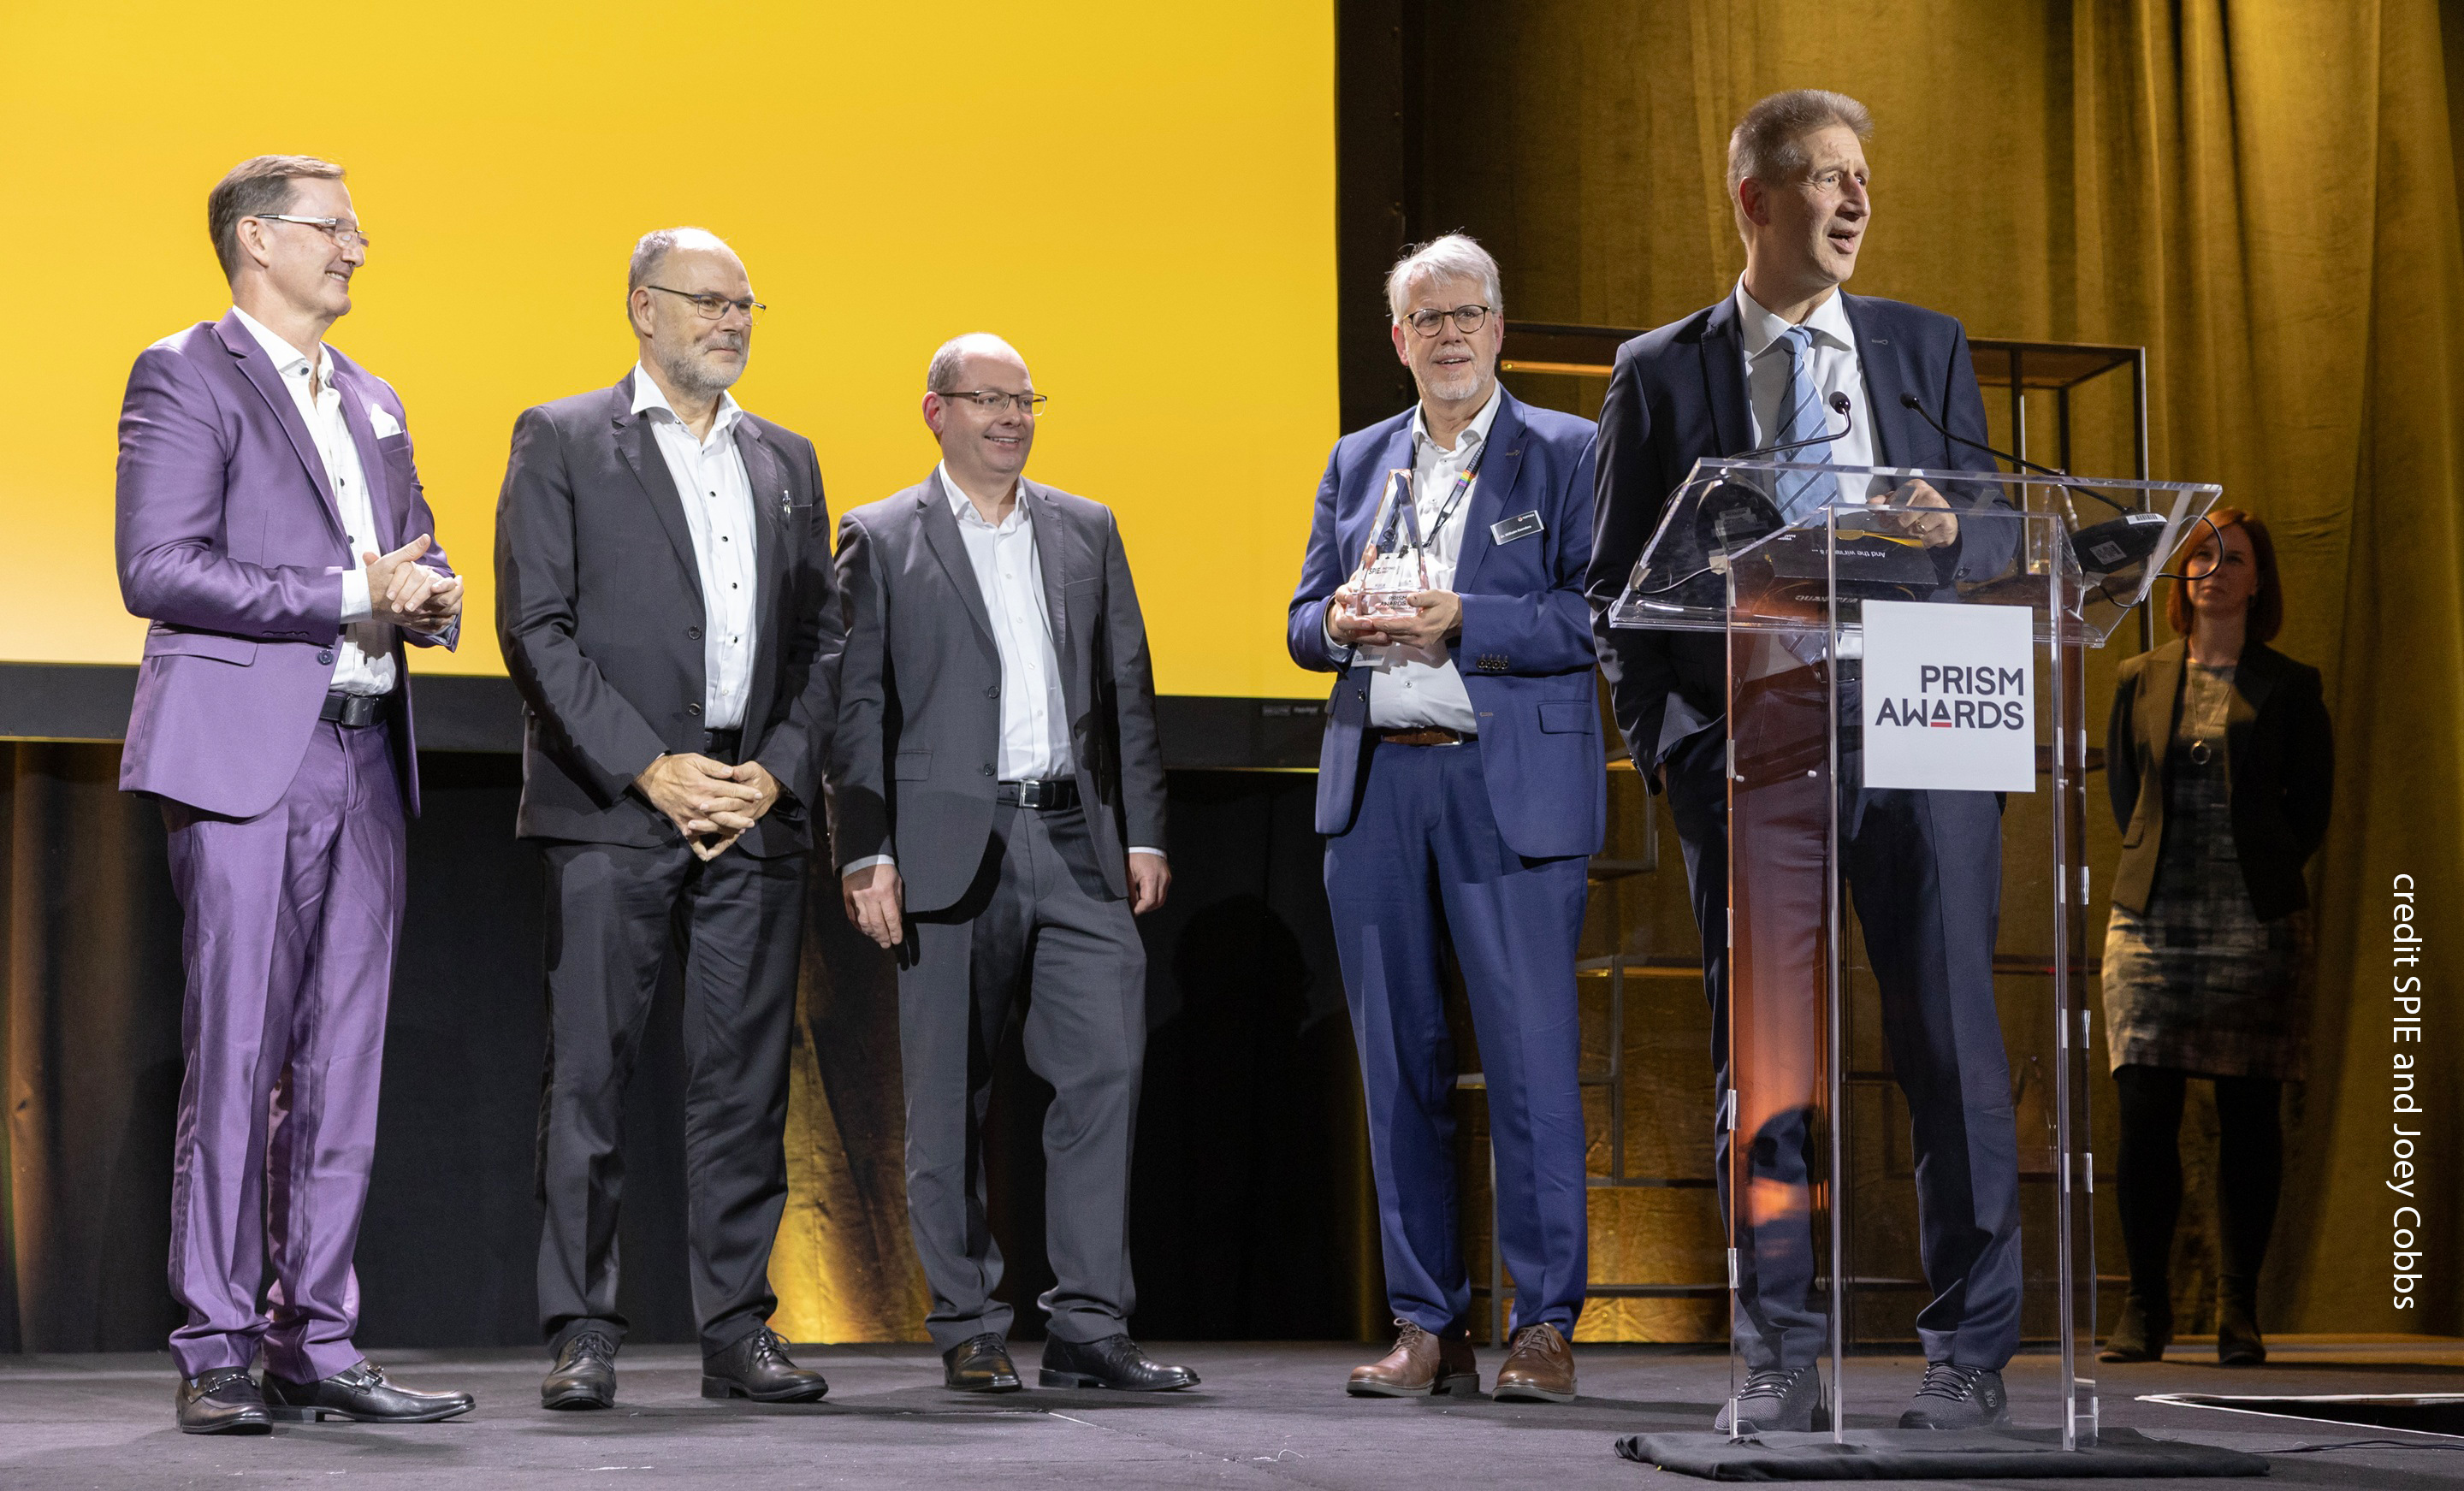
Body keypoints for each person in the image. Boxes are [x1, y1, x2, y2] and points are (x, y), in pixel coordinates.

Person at [1585, 90, 2022, 1432]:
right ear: (1754, 200)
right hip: (1755, 745)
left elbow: (1996, 536)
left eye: (1863, 179)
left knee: (1951, 1043)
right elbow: (1615, 593)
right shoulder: (1661, 370)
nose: (1856, 199)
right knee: (1769, 1064)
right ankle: (1779, 1347)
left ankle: (1970, 1353)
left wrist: (1957, 531)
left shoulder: (1919, 349)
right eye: (1827, 176)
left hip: (1926, 723)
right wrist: (1679, 751)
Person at [116, 155, 474, 1434]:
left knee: (343, 1063)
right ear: (258, 240)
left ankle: (313, 1335)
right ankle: (215, 1341)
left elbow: (408, 543)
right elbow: (156, 565)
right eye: (336, 227)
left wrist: (428, 598)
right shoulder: (183, 372)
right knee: (238, 1054)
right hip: (240, 757)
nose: (359, 246)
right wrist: (346, 594)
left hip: (366, 750)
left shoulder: (372, 395)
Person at [496, 228, 841, 1411]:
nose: (733, 321)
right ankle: (583, 1325)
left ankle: (737, 1328)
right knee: (590, 1073)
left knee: (743, 1083)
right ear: (643, 307)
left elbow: (821, 641)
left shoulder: (786, 457)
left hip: (753, 813)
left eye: (747, 303)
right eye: (709, 300)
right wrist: (651, 767)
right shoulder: (561, 437)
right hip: (613, 808)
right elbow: (535, 628)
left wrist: (777, 771)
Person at [832, 333, 1191, 1395]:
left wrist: (1145, 829)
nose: (1009, 416)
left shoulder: (1086, 528)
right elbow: (857, 713)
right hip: (946, 846)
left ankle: (1088, 1326)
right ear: (934, 411)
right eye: (984, 398)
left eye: (1023, 398)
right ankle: (969, 1326)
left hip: (1074, 840)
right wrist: (865, 853)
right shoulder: (881, 535)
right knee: (947, 1100)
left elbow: (1127, 683)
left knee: (1104, 1079)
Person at [1286, 235, 1602, 1403]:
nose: (1451, 334)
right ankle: (1428, 1321)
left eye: (1469, 313)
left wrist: (1466, 615)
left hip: (1505, 789)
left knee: (1529, 1068)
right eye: (1429, 319)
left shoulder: (1567, 451)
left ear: (1501, 327)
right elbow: (1301, 613)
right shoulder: (1360, 456)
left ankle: (1544, 1323)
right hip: (1376, 790)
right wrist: (1344, 624)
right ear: (1399, 339)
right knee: (1397, 1065)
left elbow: (1594, 615)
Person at [2099, 509, 2330, 1368]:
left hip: (2256, 925)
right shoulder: (2137, 675)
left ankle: (2239, 1309)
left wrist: (2252, 872)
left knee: (2249, 1116)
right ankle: (2145, 1308)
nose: (2214, 570)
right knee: (2145, 1114)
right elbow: (2129, 801)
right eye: (2200, 556)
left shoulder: (2291, 684)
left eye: (2233, 559)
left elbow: (2311, 809)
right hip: (2151, 922)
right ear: (2179, 578)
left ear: (2258, 581)